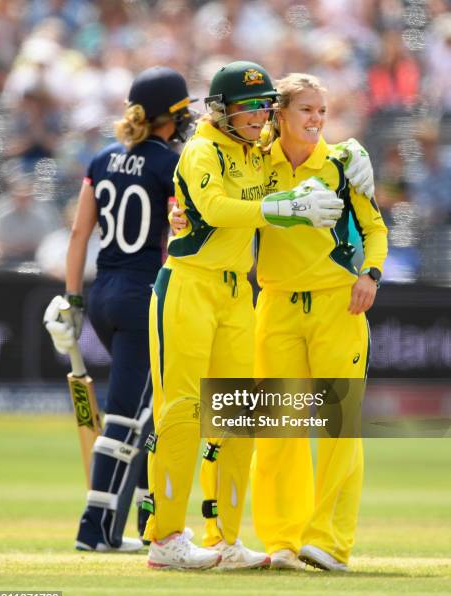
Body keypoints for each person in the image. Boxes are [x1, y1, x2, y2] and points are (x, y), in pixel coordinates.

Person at [144, 61, 345, 570]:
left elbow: (314, 145)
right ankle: (165, 539)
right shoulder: (201, 149)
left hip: (237, 294)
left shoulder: (257, 152)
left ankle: (223, 539)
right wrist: (283, 210)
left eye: (264, 105)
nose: (259, 114)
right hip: (189, 284)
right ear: (221, 108)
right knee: (183, 413)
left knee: (236, 416)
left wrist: (354, 155)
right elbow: (212, 206)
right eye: (249, 105)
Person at [43, 66, 196, 552]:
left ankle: (128, 527)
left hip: (103, 293)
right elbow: (180, 234)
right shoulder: (169, 163)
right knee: (128, 419)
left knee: (143, 416)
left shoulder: (103, 157)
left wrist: (71, 299)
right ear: (167, 116)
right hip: (142, 297)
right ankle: (94, 528)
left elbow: (78, 234)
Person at [251, 73, 388, 571]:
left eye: (321, 112)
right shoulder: (256, 163)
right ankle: (281, 541)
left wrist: (370, 275)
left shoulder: (342, 164)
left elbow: (374, 229)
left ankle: (329, 542)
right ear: (280, 113)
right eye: (306, 109)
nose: (315, 120)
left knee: (338, 426)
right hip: (277, 303)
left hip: (338, 304)